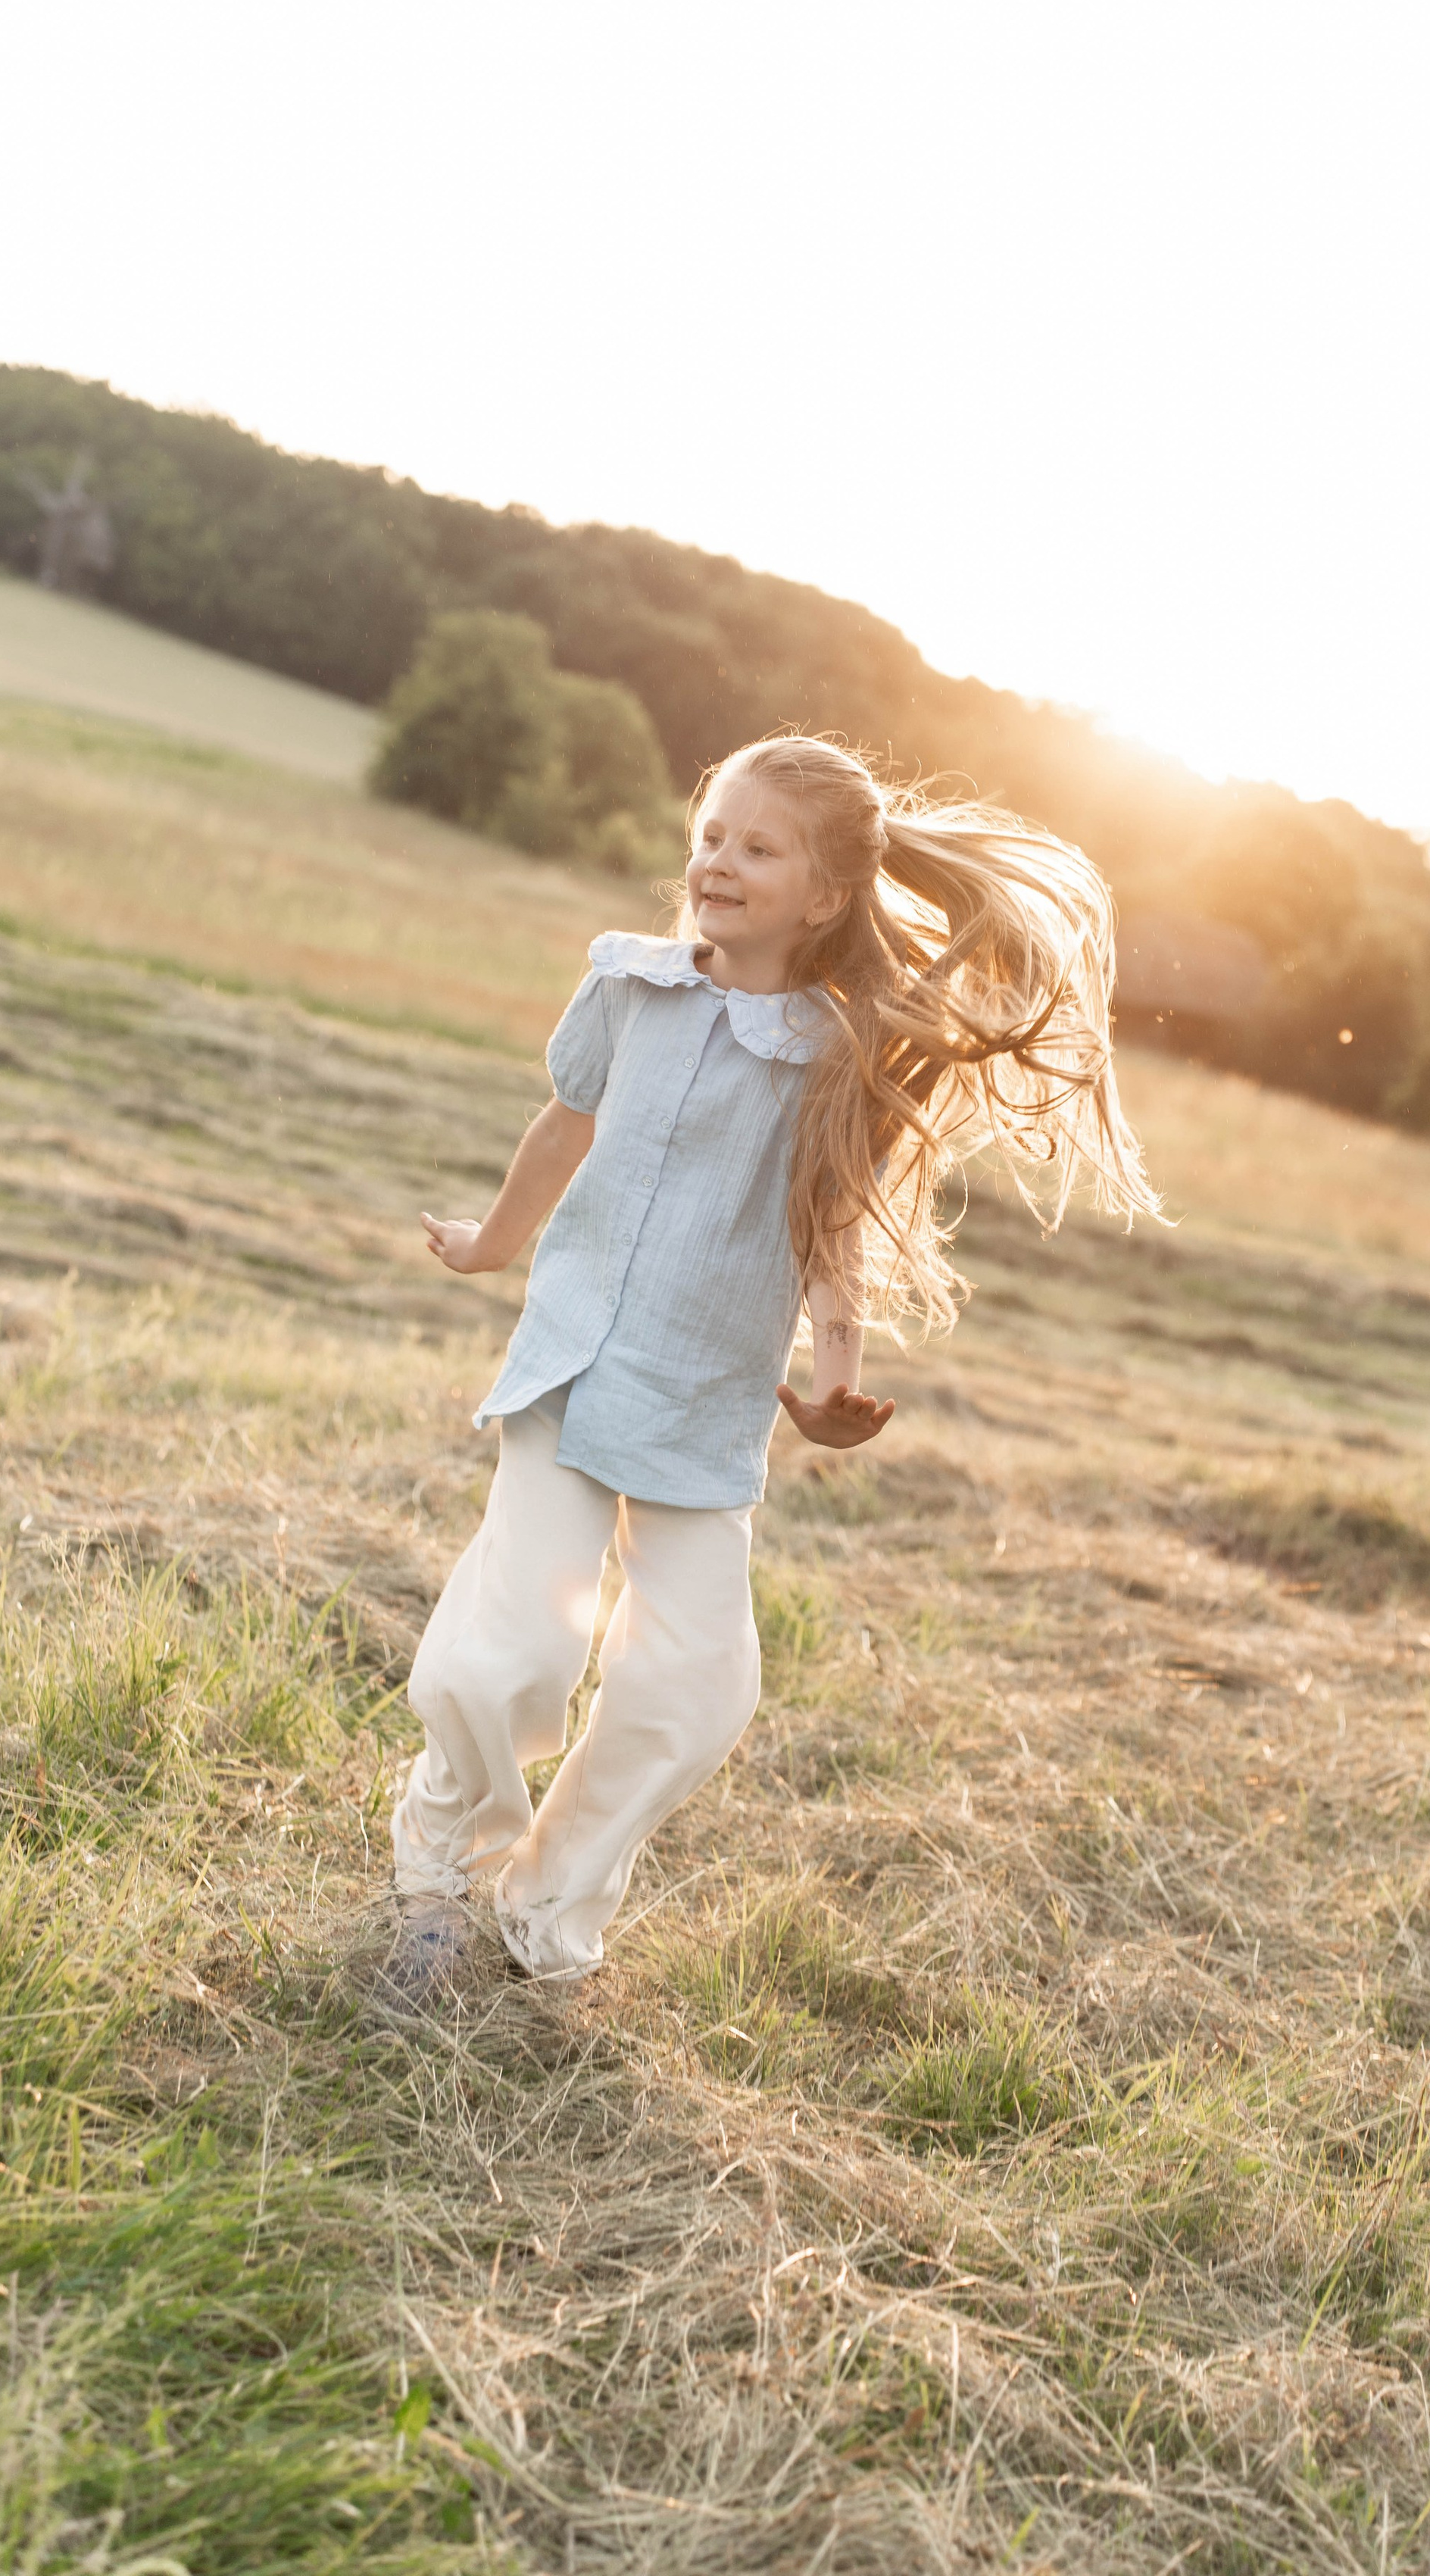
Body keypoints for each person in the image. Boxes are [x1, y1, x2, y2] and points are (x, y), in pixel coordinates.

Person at [385, 732, 1158, 1997]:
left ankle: (548, 1903)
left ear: (826, 895)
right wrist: (491, 1245)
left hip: (704, 1403)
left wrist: (834, 1379)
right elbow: (564, 1126)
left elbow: (829, 1224)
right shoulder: (627, 984)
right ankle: (436, 1870)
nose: (719, 862)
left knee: (693, 1688)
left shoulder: (840, 1051)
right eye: (711, 837)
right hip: (573, 1365)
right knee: (511, 1649)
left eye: (758, 847)